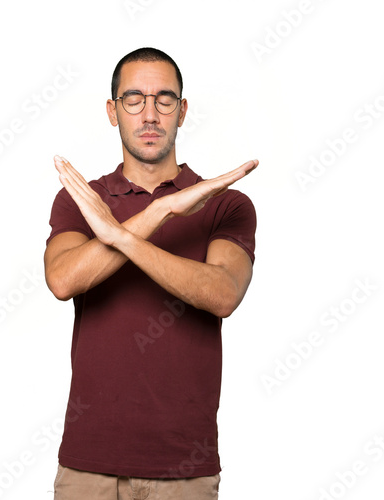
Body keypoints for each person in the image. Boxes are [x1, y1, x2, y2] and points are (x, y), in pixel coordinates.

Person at [44, 47, 258, 500]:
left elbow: (223, 294)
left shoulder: (224, 204)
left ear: (182, 112)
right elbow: (63, 281)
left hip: (184, 468)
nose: (149, 114)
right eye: (134, 99)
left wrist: (119, 235)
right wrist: (160, 212)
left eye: (164, 100)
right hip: (88, 465)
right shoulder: (83, 200)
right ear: (112, 110)